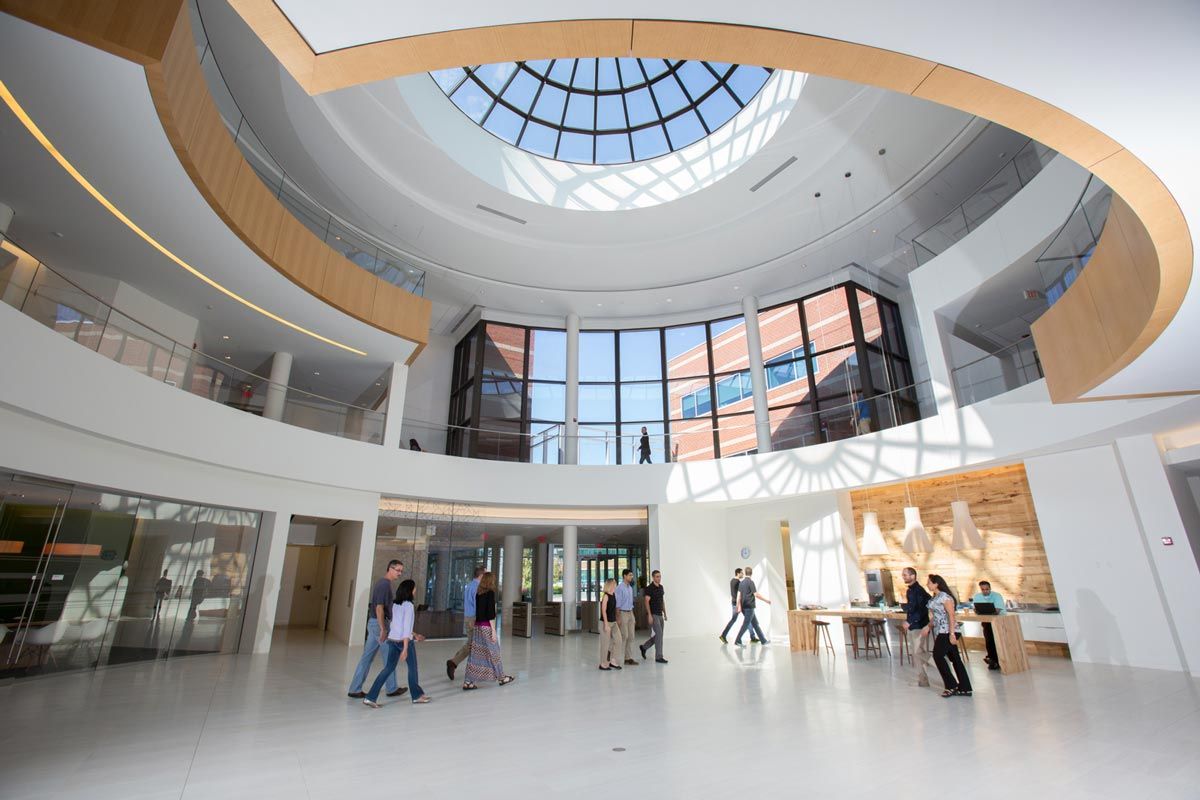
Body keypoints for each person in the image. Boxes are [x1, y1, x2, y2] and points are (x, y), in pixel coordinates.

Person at [363, 579, 430, 707]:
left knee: (388, 669)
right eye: (414, 588)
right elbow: (406, 628)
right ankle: (416, 696)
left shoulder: (395, 605)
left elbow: (397, 626)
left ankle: (370, 697)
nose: (415, 591)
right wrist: (405, 648)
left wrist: (414, 635)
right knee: (412, 669)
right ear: (410, 590)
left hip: (392, 641)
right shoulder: (409, 606)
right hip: (404, 642)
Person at [348, 559, 407, 699]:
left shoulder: (385, 584)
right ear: (390, 569)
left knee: (367, 658)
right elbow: (379, 608)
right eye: (398, 570)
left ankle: (355, 689)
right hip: (378, 625)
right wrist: (383, 629)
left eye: (401, 571)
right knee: (390, 657)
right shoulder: (384, 585)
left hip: (375, 624)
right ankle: (391, 688)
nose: (400, 573)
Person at [920, 574, 972, 698]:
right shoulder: (933, 599)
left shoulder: (945, 597)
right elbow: (935, 617)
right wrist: (928, 626)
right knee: (955, 659)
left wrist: (952, 634)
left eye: (929, 582)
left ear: (936, 584)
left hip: (948, 631)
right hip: (940, 631)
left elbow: (951, 615)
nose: (927, 585)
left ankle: (951, 685)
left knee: (937, 656)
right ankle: (965, 688)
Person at [463, 571, 515, 689]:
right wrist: (493, 631)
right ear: (490, 581)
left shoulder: (478, 593)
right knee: (494, 652)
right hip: (486, 627)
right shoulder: (490, 593)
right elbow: (490, 614)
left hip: (477, 627)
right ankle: (502, 678)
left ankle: (468, 681)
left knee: (475, 654)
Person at [446, 565, 484, 680]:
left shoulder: (469, 585)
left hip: (469, 617)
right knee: (473, 645)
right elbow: (477, 605)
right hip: (474, 618)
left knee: (472, 644)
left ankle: (454, 662)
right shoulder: (477, 587)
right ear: (481, 575)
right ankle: (454, 662)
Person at [900, 566, 935, 688]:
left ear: (913, 576)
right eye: (903, 575)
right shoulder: (910, 591)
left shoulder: (918, 590)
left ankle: (941, 664)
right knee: (917, 654)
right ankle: (923, 681)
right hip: (914, 625)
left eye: (905, 575)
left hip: (919, 626)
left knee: (918, 652)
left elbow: (922, 610)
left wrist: (910, 621)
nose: (903, 577)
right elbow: (913, 607)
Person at [718, 567, 759, 644]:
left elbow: (734, 594)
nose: (743, 574)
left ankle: (752, 637)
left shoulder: (732, 581)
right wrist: (739, 605)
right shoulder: (738, 582)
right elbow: (738, 595)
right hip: (739, 604)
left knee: (746, 620)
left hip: (735, 603)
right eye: (741, 573)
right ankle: (723, 635)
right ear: (738, 573)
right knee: (742, 620)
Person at [972, 580, 1005, 671]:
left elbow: (997, 611)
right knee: (989, 639)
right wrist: (977, 611)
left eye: (987, 589)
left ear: (990, 588)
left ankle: (995, 659)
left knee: (994, 639)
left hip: (1000, 621)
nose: (985, 591)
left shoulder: (997, 596)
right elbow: (976, 610)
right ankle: (992, 659)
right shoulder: (977, 597)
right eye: (983, 589)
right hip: (987, 621)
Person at [734, 566, 771, 646]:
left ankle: (763, 640)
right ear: (751, 573)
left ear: (745, 573)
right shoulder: (751, 582)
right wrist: (767, 600)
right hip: (749, 608)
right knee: (746, 624)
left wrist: (738, 606)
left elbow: (738, 596)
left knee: (755, 624)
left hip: (744, 607)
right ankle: (737, 640)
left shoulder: (742, 583)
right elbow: (756, 594)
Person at [639, 570, 668, 663]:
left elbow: (662, 601)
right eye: (657, 577)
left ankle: (644, 647)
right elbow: (646, 602)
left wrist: (665, 613)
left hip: (660, 614)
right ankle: (659, 657)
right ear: (653, 577)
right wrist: (649, 615)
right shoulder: (649, 588)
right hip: (654, 614)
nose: (658, 578)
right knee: (659, 635)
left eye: (659, 576)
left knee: (659, 636)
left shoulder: (661, 587)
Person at [598, 578, 624, 671]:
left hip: (613, 622)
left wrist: (617, 620)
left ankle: (613, 661)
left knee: (619, 640)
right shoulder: (606, 596)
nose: (615, 585)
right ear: (610, 585)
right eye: (614, 584)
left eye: (615, 583)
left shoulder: (614, 595)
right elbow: (603, 611)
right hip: (605, 622)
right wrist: (606, 624)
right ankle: (603, 664)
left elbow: (614, 610)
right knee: (605, 644)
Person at [615, 569, 638, 665]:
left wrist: (633, 616)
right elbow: (617, 605)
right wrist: (618, 617)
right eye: (630, 575)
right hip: (622, 613)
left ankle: (628, 658)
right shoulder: (620, 588)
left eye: (632, 575)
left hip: (630, 613)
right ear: (624, 576)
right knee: (624, 636)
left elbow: (630, 603)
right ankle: (616, 658)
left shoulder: (630, 588)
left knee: (631, 636)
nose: (631, 577)